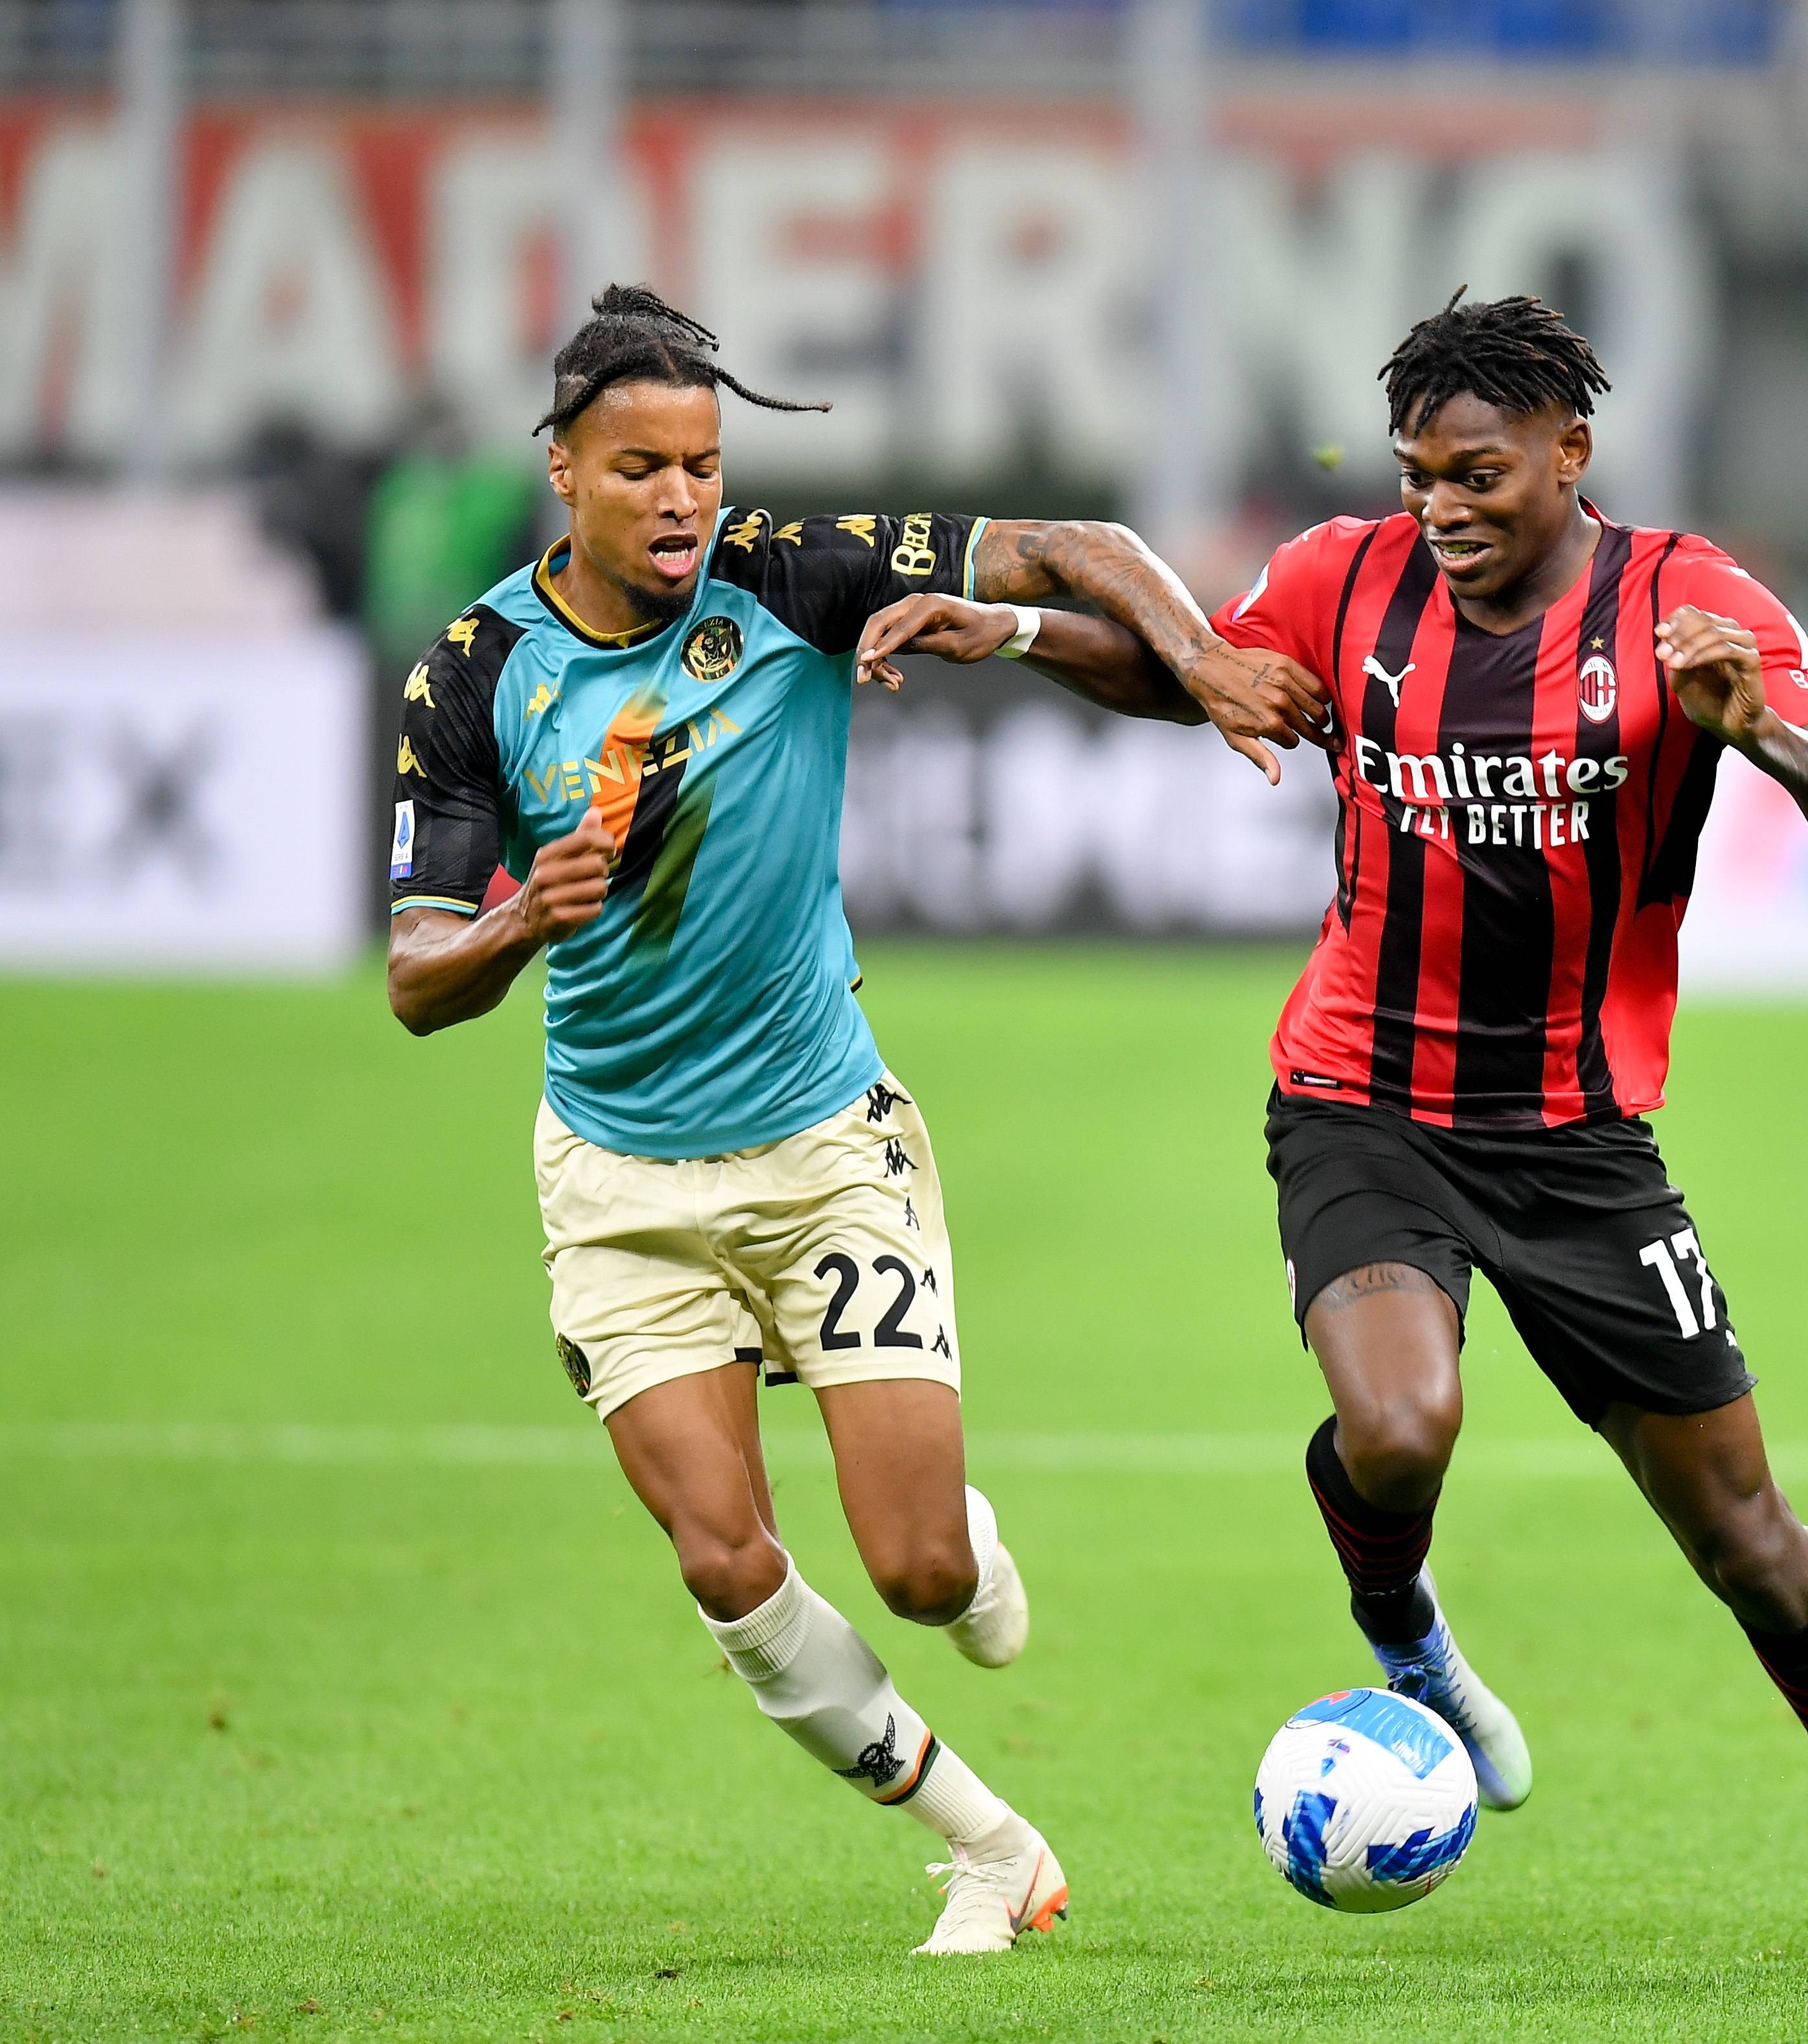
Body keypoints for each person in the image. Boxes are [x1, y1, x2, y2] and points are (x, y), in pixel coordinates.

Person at [858, 291, 1808, 1967]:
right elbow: (1204, 679)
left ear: (1572, 453)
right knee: (1402, 1427)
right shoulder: (1347, 579)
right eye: (1418, 476)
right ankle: (1401, 1623)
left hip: (1579, 1139)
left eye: (1479, 475)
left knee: (1753, 1544)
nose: (1443, 508)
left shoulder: (1686, 602)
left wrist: (1758, 731)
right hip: (1362, 1102)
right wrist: (1023, 633)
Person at [384, 285, 1324, 1956]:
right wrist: (523, 920)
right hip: (615, 1177)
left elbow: (1080, 548)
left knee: (919, 1577)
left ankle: (959, 1536)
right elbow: (415, 979)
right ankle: (989, 1849)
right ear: (563, 472)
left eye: (703, 464)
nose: (684, 498)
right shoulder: (474, 674)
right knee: (722, 1558)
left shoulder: (791, 571)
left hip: (824, 1147)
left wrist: (1201, 659)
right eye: (642, 468)